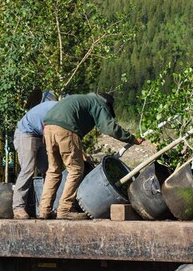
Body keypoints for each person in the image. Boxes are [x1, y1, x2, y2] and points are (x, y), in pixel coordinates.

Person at [39, 92, 143, 220]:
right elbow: (108, 127)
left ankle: (44, 210)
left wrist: (80, 152)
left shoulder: (82, 99)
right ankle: (64, 209)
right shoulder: (98, 103)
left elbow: (70, 123)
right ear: (107, 105)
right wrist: (132, 139)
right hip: (65, 129)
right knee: (76, 170)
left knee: (53, 170)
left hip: (48, 127)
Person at [12, 92, 57, 220]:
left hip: (39, 134)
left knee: (49, 170)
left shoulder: (56, 109)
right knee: (28, 168)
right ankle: (18, 207)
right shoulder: (54, 110)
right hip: (26, 133)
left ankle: (45, 208)